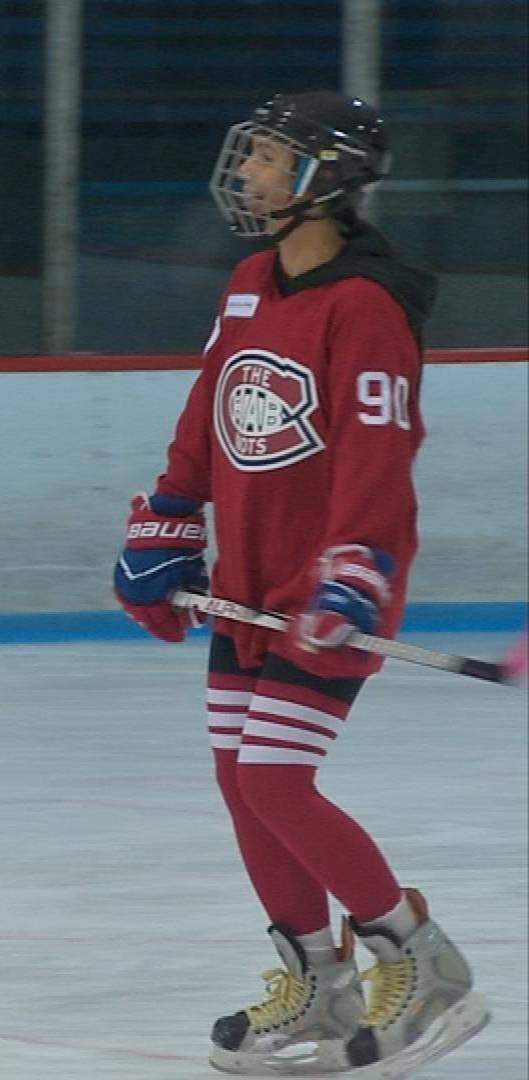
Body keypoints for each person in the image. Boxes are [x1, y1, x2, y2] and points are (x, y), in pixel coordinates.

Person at [113, 90, 490, 1075]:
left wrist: (356, 566)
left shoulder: (364, 306)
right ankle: (318, 979)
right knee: (242, 787)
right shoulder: (248, 283)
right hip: (247, 580)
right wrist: (166, 517)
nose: (248, 174)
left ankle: (420, 956)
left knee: (276, 777)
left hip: (333, 590)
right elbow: (210, 410)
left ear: (326, 181)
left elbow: (378, 446)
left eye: (271, 158)